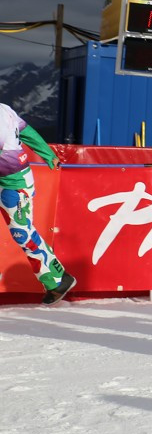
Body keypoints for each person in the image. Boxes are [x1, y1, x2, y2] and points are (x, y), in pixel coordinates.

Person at [0, 103, 76, 303]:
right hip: (9, 179)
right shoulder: (4, 109)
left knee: (23, 233)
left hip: (14, 183)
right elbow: (28, 132)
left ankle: (57, 279)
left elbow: (25, 133)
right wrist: (48, 154)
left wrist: (48, 154)